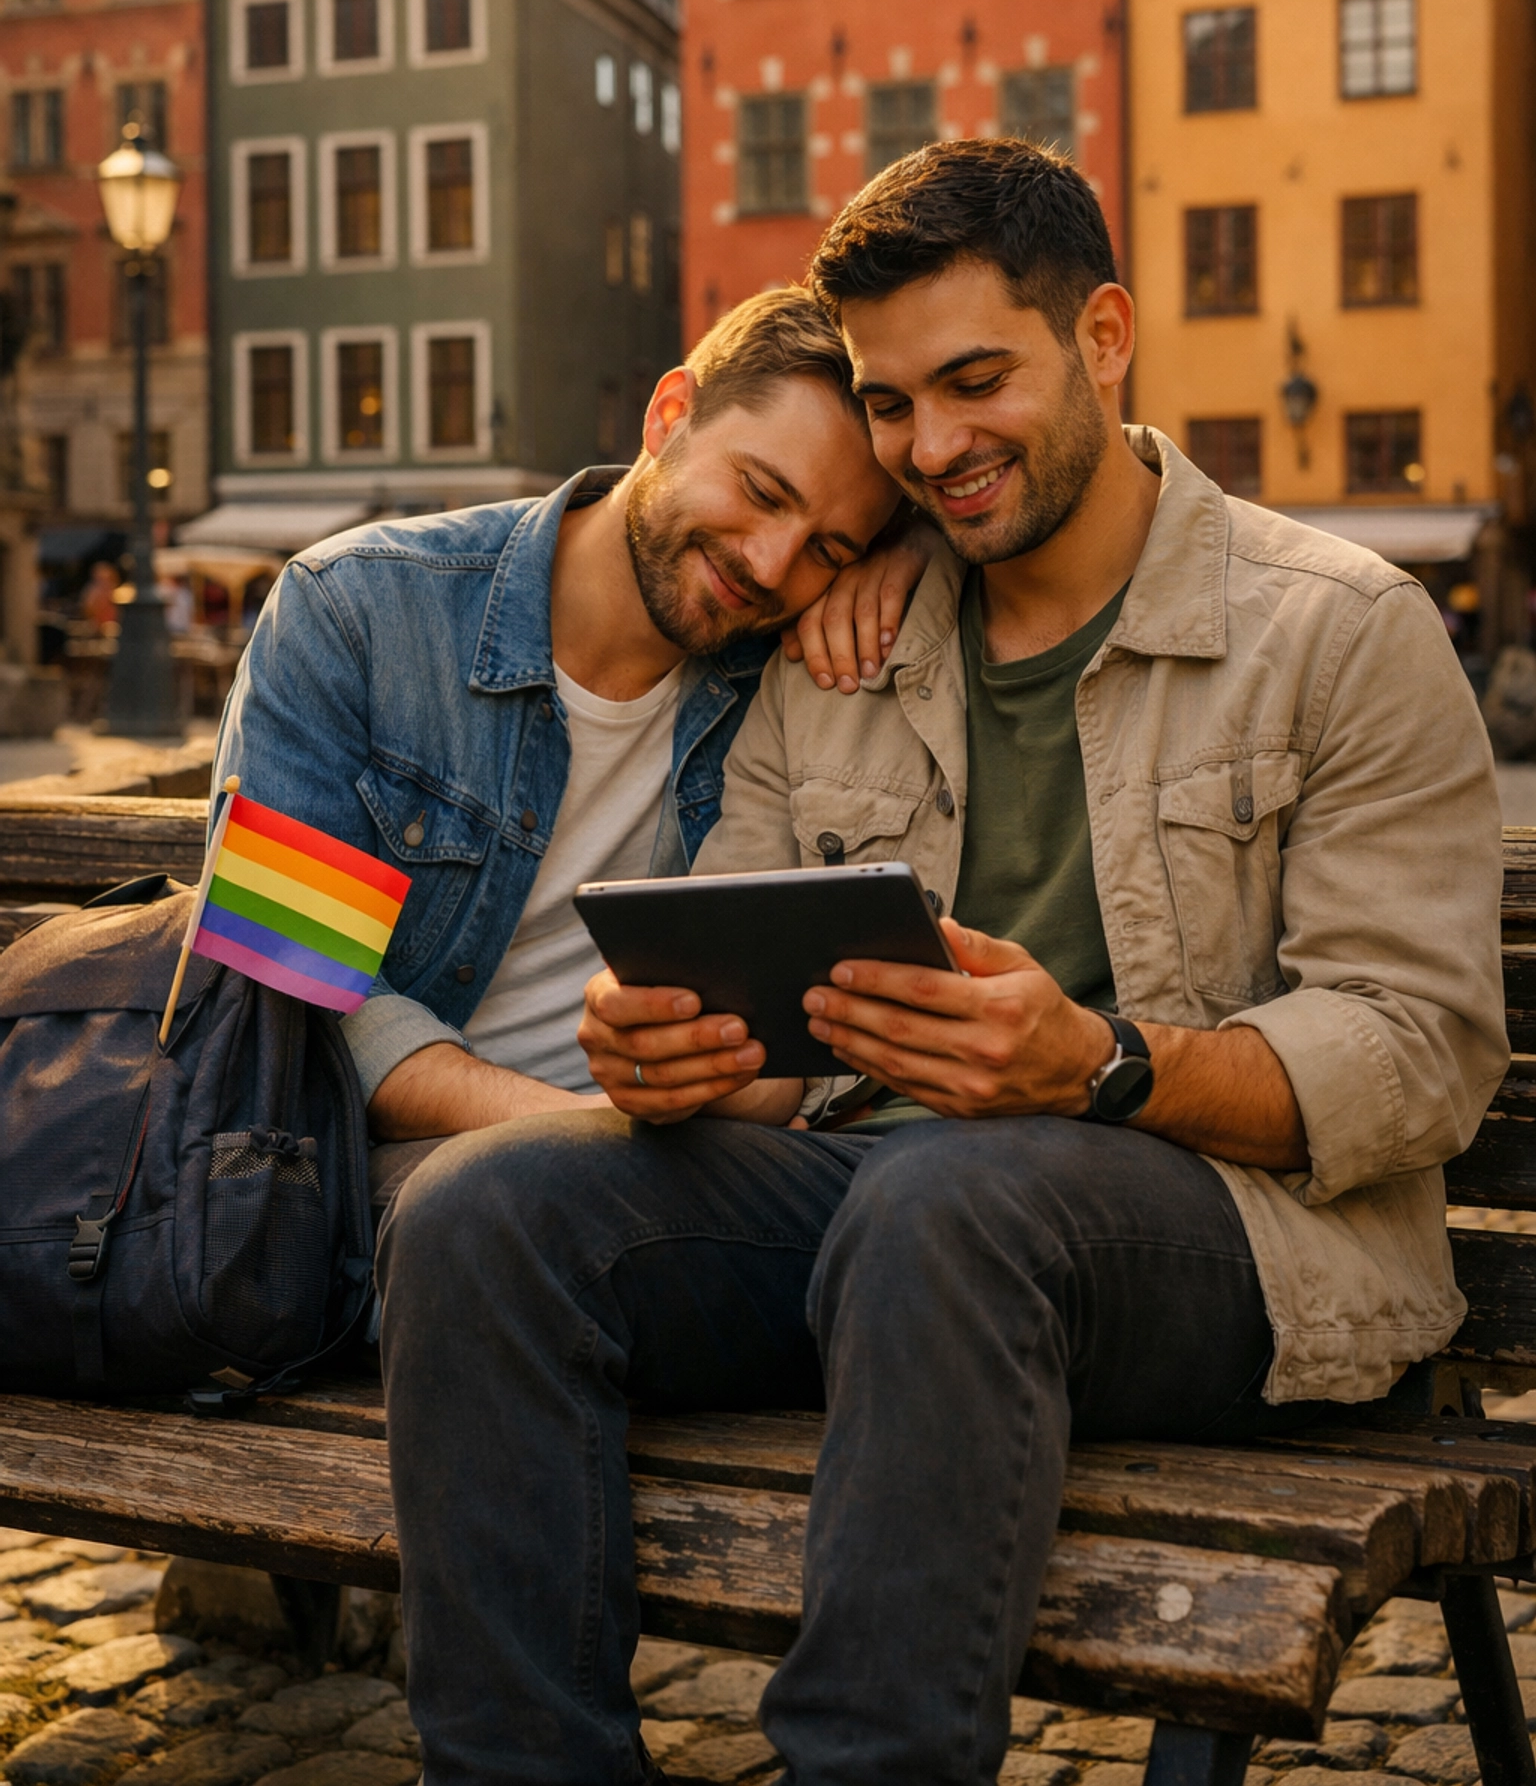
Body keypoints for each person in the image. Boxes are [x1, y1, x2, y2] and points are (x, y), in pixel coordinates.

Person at [375, 139, 1507, 1786]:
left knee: (953, 1196)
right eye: (892, 406)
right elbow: (766, 1036)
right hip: (880, 1229)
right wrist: (674, 1046)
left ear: (1105, 335)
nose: (932, 446)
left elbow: (1420, 1051)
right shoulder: (841, 650)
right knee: (475, 1206)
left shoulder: (1337, 626)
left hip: (1241, 1236)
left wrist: (1103, 1064)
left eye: (976, 381)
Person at [214, 287, 911, 1148]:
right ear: (669, 415)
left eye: (827, 550)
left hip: (673, 1175)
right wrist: (578, 1128)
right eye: (762, 491)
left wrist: (915, 556)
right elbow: (292, 973)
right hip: (377, 1179)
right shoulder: (353, 609)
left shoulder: (788, 673)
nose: (771, 565)